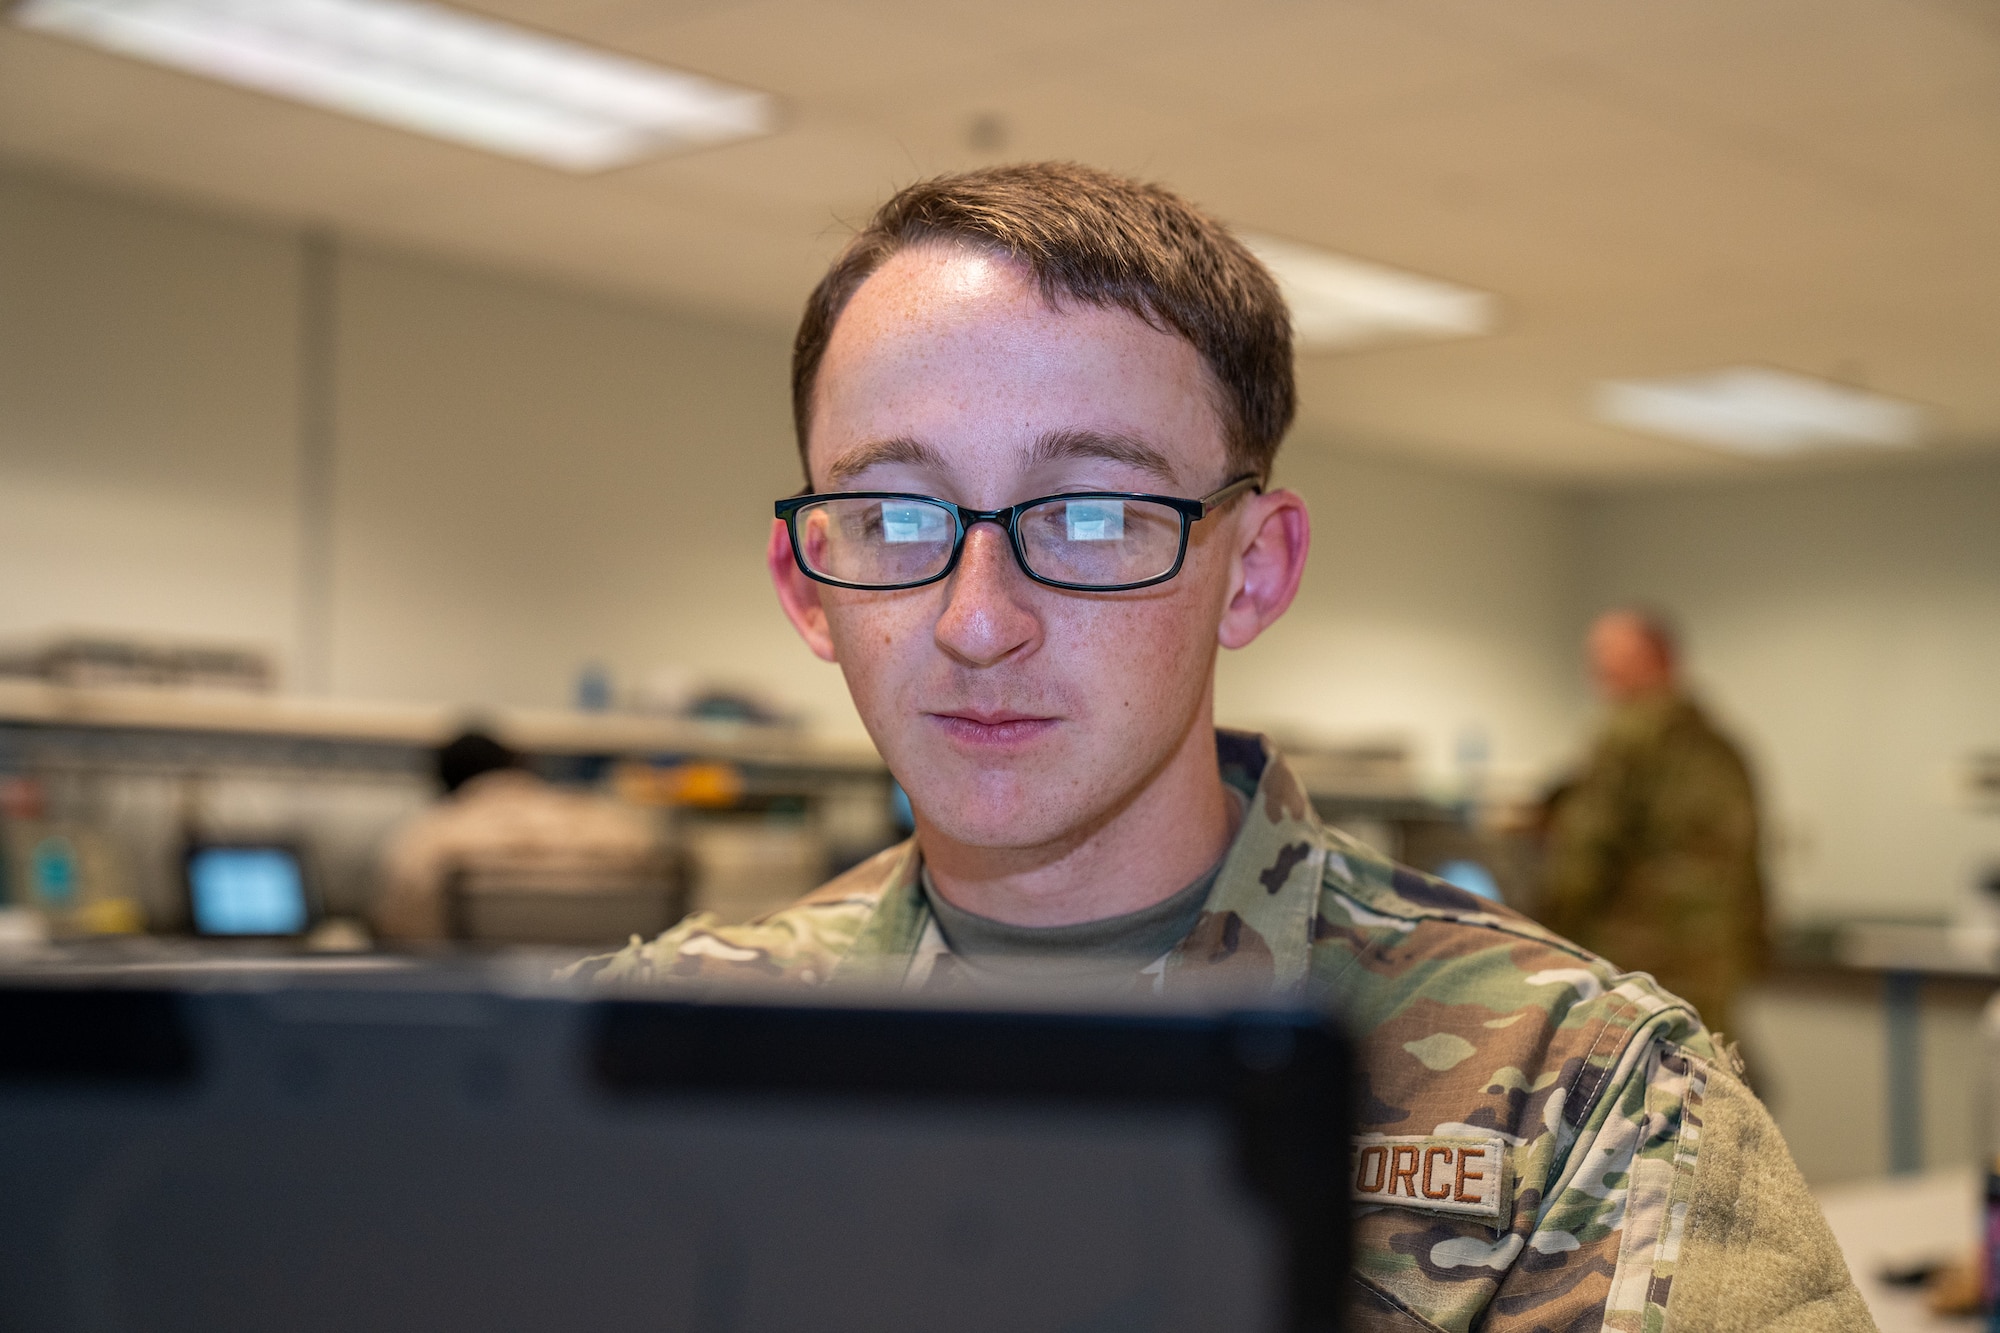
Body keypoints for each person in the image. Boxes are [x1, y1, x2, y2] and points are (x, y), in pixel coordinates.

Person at [575, 164, 1866, 1329]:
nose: (977, 621)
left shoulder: (1579, 1108)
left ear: (1253, 569)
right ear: (810, 585)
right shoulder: (631, 1046)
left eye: (1091, 513)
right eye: (894, 513)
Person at [1539, 609, 1771, 1043]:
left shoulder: (1624, 735)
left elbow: (1584, 856)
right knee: (1705, 1089)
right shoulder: (1724, 745)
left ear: (1656, 658)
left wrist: (1548, 944)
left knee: (1634, 1098)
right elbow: (1752, 863)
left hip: (1636, 969)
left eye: (1608, 660)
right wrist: (1754, 952)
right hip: (1715, 964)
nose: (1598, 674)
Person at [375, 730, 666, 941]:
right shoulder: (601, 818)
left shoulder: (432, 837)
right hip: (604, 1001)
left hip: (473, 1003)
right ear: (515, 765)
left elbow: (399, 929)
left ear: (443, 784)